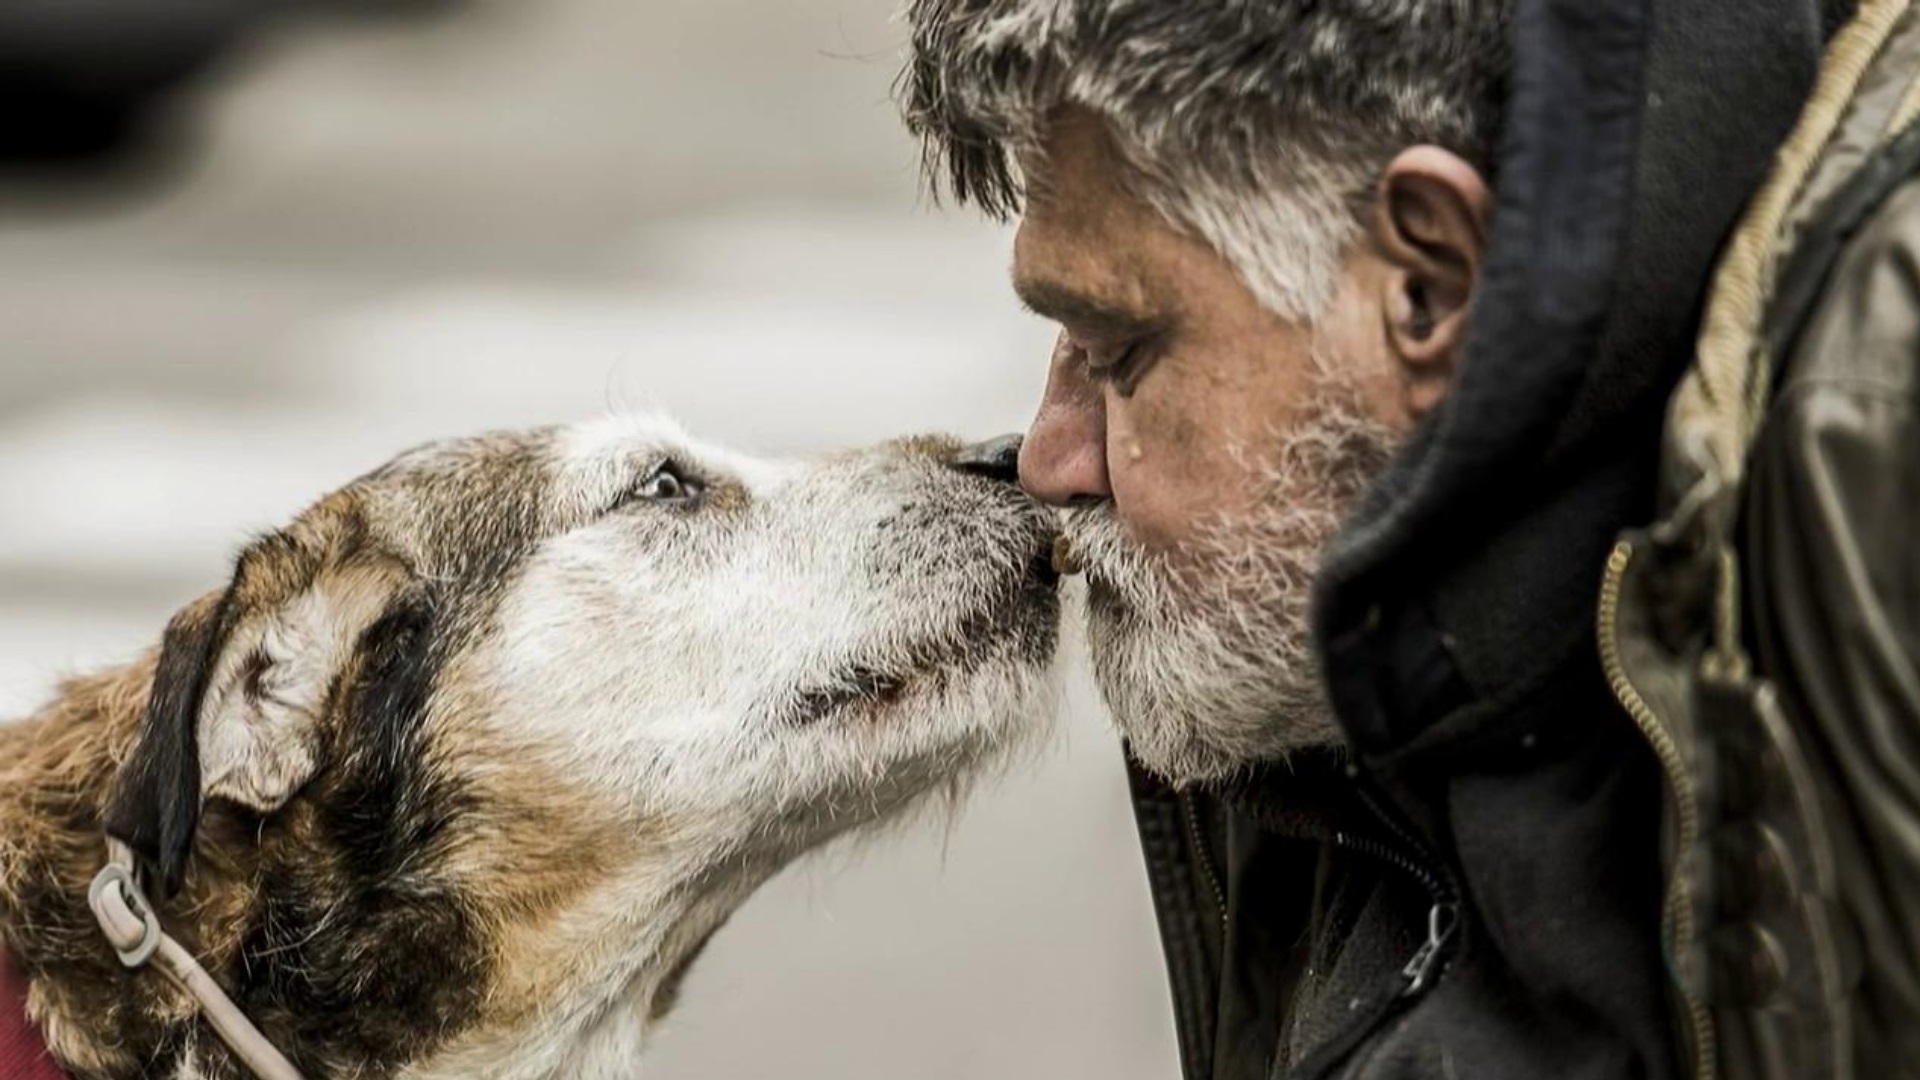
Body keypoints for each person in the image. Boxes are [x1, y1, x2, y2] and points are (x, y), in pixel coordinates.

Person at [900, 2, 1857, 1078]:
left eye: (1117, 349)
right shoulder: (1320, 642)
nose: (1051, 459)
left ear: (1423, 284)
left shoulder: (1879, 518)